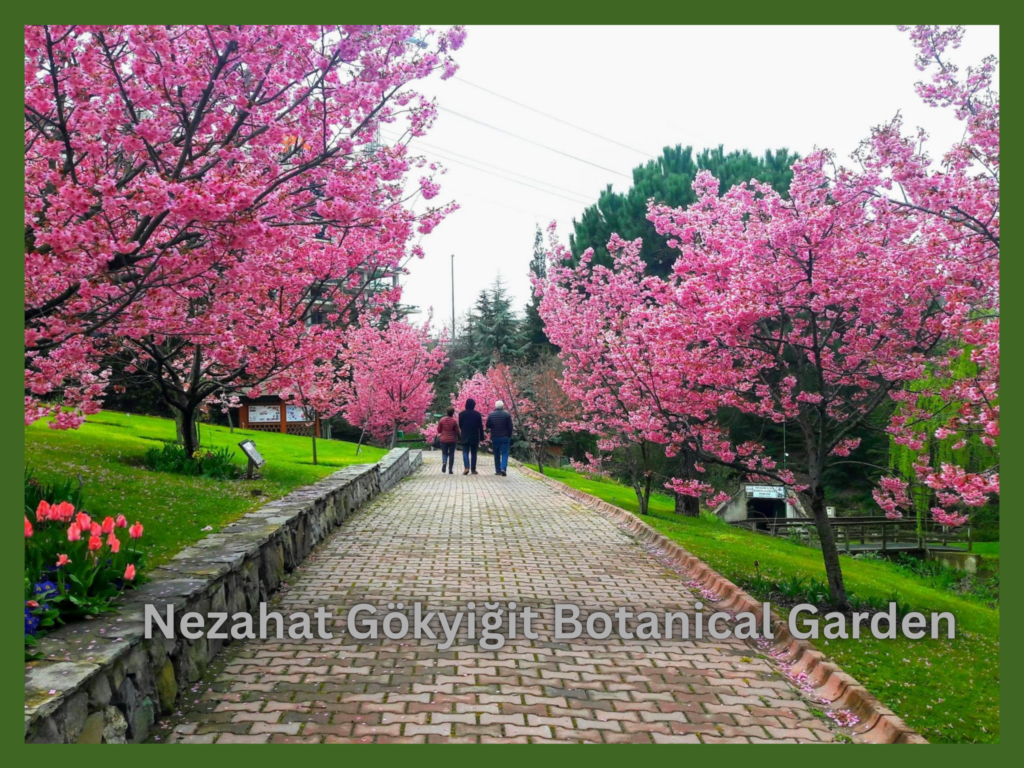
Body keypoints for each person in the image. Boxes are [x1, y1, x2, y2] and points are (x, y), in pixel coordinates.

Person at [485, 400, 513, 476]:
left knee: (496, 453)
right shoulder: (507, 415)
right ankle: (503, 468)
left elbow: (487, 425)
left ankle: (498, 470)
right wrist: (509, 435)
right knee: (504, 453)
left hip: (495, 436)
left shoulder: (491, 415)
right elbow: (510, 427)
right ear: (502, 406)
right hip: (504, 436)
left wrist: (493, 426)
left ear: (495, 406)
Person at [458, 398, 485, 475]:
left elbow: (460, 425)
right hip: (474, 435)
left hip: (465, 435)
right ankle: (473, 469)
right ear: (474, 405)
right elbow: (480, 426)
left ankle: (466, 467)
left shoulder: (461, 414)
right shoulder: (477, 414)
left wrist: (464, 431)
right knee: (474, 453)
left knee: (465, 452)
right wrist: (482, 437)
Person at [436, 407, 460, 475]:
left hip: (443, 439)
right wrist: (459, 437)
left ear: (447, 412)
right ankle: (450, 469)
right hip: (452, 440)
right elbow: (457, 431)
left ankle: (444, 463)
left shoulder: (442, 420)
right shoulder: (454, 421)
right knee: (451, 454)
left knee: (444, 453)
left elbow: (438, 430)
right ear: (453, 413)